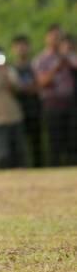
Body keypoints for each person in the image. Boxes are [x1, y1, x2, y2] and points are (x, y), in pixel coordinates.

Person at [32, 24, 77, 166]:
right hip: (52, 103)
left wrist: (67, 59)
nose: (57, 40)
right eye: (54, 37)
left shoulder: (71, 57)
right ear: (48, 38)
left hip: (71, 103)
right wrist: (57, 67)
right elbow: (41, 82)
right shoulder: (41, 59)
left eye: (60, 37)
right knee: (55, 141)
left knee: (73, 140)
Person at [10, 35, 43, 166]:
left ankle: (39, 166)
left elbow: (39, 85)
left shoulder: (35, 66)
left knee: (36, 142)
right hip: (17, 110)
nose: (21, 49)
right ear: (13, 49)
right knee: (18, 143)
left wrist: (24, 88)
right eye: (18, 46)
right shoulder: (10, 68)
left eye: (24, 45)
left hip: (35, 108)